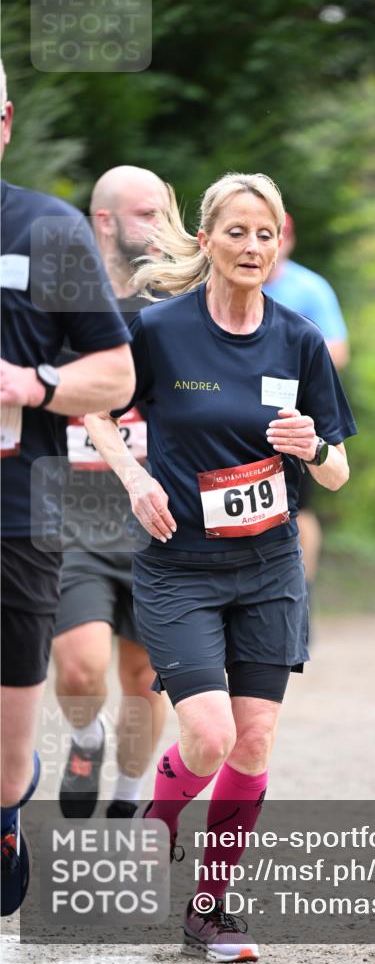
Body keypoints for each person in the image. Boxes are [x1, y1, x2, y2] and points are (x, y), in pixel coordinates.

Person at [83, 172, 356, 960]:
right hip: (181, 566)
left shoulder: (298, 338)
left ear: (280, 243)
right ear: (206, 241)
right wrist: (134, 478)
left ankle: (209, 910)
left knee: (255, 739)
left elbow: (335, 470)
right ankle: (157, 821)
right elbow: (94, 406)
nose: (252, 247)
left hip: (269, 567)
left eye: (264, 234)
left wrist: (314, 449)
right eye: (236, 232)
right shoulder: (162, 330)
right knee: (207, 734)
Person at [0, 59, 134, 916]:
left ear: (5, 122)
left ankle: (10, 805)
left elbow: (116, 374)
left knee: (7, 764)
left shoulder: (47, 231)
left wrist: (31, 387)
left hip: (16, 518)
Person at [52, 166, 169, 820]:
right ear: (105, 221)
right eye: (146, 214)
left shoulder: (176, 308)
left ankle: (128, 798)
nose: (160, 228)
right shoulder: (59, 302)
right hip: (74, 516)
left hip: (157, 522)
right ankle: (84, 737)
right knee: (79, 669)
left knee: (143, 679)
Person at [264, 213, 350, 595]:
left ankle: (303, 588)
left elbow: (338, 350)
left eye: (274, 236)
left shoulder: (310, 287)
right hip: (233, 404)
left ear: (288, 241)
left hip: (295, 410)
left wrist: (284, 367)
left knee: (301, 506)